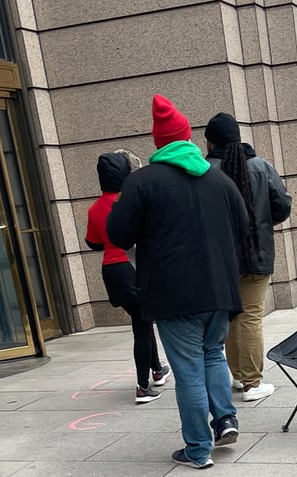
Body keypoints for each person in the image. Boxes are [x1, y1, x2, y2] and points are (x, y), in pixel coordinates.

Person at [107, 95, 248, 469]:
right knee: (213, 354)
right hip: (220, 289)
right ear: (187, 138)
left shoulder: (142, 182)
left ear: (158, 142)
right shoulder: (219, 179)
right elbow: (243, 228)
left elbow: (117, 234)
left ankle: (198, 449)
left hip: (174, 295)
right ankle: (225, 420)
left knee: (187, 370)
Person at [204, 112, 292, 402]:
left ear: (209, 142)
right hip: (257, 252)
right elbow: (281, 206)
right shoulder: (260, 166)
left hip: (220, 259)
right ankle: (253, 383)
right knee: (252, 317)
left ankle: (240, 376)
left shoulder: (204, 170)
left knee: (230, 317)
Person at [85, 150, 171, 404]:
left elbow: (93, 243)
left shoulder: (94, 208)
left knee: (142, 318)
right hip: (132, 267)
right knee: (142, 326)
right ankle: (143, 386)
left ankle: (157, 369)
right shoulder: (130, 202)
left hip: (111, 272)